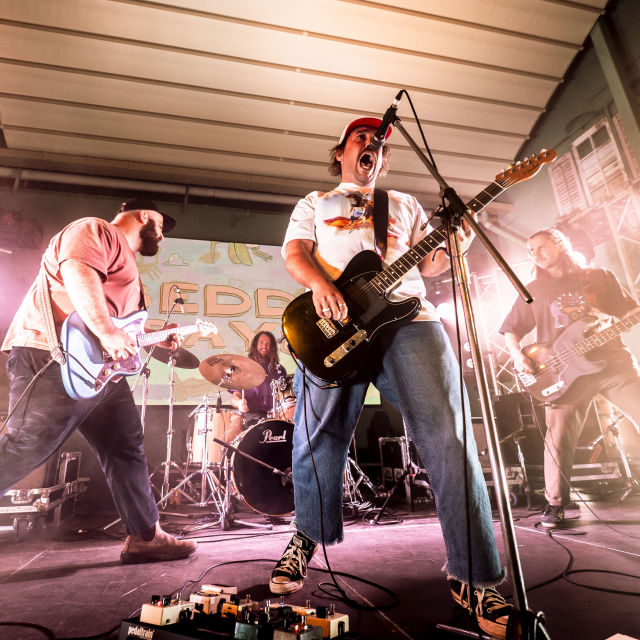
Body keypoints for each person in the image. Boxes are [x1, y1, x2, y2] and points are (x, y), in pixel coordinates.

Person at [270, 117, 512, 639]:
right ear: (341, 153)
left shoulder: (403, 203)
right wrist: (319, 285)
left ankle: (474, 577)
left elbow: (432, 265)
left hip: (411, 320)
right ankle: (305, 536)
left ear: (383, 159)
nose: (370, 145)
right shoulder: (317, 201)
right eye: (360, 139)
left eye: (377, 143)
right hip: (335, 322)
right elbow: (295, 253)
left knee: (451, 436)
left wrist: (460, 242)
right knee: (316, 436)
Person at [0, 196, 197, 563]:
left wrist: (153, 337)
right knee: (25, 446)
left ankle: (146, 536)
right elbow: (77, 271)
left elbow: (120, 328)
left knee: (125, 446)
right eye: (160, 224)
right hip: (54, 357)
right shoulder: (97, 230)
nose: (162, 235)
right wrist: (107, 332)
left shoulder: (128, 268)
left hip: (101, 373)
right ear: (143, 214)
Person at [500, 227, 640, 528]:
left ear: (560, 244)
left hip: (613, 364)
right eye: (530, 250)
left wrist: (624, 320)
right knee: (559, 437)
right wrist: (518, 355)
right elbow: (511, 329)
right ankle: (555, 504)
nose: (535, 254)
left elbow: (630, 312)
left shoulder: (598, 276)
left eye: (540, 246)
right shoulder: (533, 289)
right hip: (563, 373)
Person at [230, 331, 287, 427]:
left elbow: (286, 397)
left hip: (276, 416)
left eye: (268, 344)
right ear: (255, 345)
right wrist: (239, 403)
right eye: (261, 343)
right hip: (252, 417)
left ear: (272, 347)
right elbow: (235, 396)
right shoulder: (244, 368)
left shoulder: (279, 369)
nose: (265, 346)